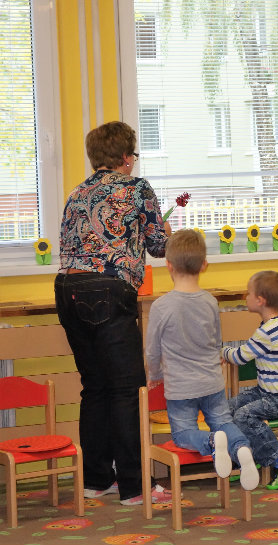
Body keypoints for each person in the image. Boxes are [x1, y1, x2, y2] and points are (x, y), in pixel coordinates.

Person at [55, 120, 172, 506]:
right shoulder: (136, 189)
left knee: (95, 387)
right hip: (108, 290)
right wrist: (167, 231)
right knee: (126, 390)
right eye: (133, 154)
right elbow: (159, 246)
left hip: (68, 290)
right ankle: (135, 487)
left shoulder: (77, 192)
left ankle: (97, 479)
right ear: (125, 156)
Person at [145, 229, 259, 491]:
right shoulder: (210, 301)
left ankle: (211, 442)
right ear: (204, 265)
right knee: (224, 422)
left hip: (180, 388)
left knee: (183, 433)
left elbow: (152, 350)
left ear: (168, 265)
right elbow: (217, 342)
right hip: (212, 382)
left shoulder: (161, 306)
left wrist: (155, 375)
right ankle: (242, 448)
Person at [222, 271, 278, 489]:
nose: (245, 297)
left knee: (244, 415)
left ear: (260, 300)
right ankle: (248, 459)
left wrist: (222, 352)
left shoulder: (268, 330)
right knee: (228, 408)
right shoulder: (277, 320)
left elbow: (240, 357)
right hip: (267, 391)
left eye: (248, 293)